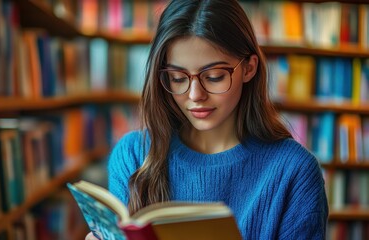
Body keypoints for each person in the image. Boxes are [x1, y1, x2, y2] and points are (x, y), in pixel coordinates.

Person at [87, 0, 328, 239]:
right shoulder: (134, 155)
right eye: (177, 78)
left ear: (249, 68)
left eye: (213, 77)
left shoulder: (295, 171)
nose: (195, 96)